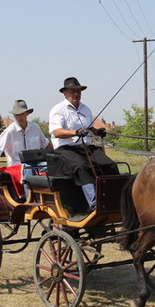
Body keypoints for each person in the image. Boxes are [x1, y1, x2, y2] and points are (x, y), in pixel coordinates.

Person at [49, 77, 119, 211]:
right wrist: (75, 132)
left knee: (110, 165)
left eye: (78, 91)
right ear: (65, 93)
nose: (76, 94)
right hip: (66, 149)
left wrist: (97, 132)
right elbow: (57, 132)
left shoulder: (85, 109)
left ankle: (114, 199)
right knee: (82, 167)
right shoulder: (58, 109)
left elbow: (90, 128)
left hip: (86, 147)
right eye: (72, 91)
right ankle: (95, 204)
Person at [0, 99, 51, 197]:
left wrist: (57, 153)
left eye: (21, 114)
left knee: (49, 166)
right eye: (16, 115)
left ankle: (49, 195)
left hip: (36, 163)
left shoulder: (35, 128)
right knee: (27, 168)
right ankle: (28, 197)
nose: (19, 117)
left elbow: (46, 144)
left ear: (27, 113)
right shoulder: (10, 131)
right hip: (16, 165)